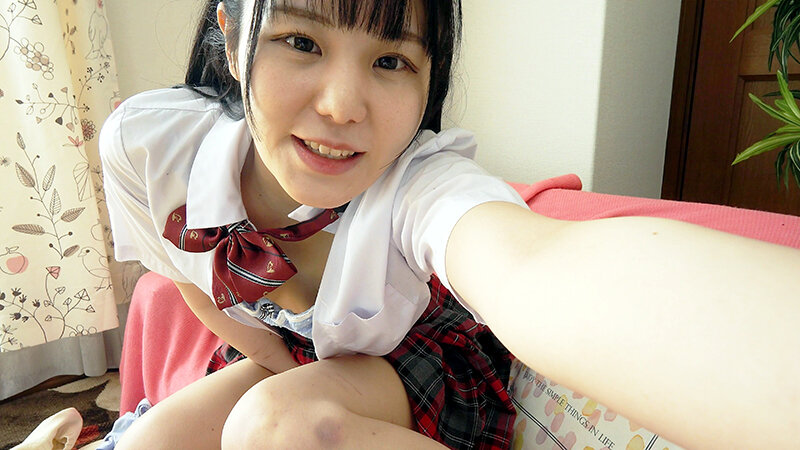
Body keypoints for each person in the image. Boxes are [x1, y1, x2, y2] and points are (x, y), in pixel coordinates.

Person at [18, 0, 800, 448]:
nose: (341, 107)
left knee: (276, 429)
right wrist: (272, 365)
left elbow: (533, 268)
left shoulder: (422, 184)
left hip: (417, 359)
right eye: (301, 41)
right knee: (154, 441)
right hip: (298, 354)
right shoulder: (147, 143)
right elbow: (186, 281)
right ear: (231, 34)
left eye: (390, 61)